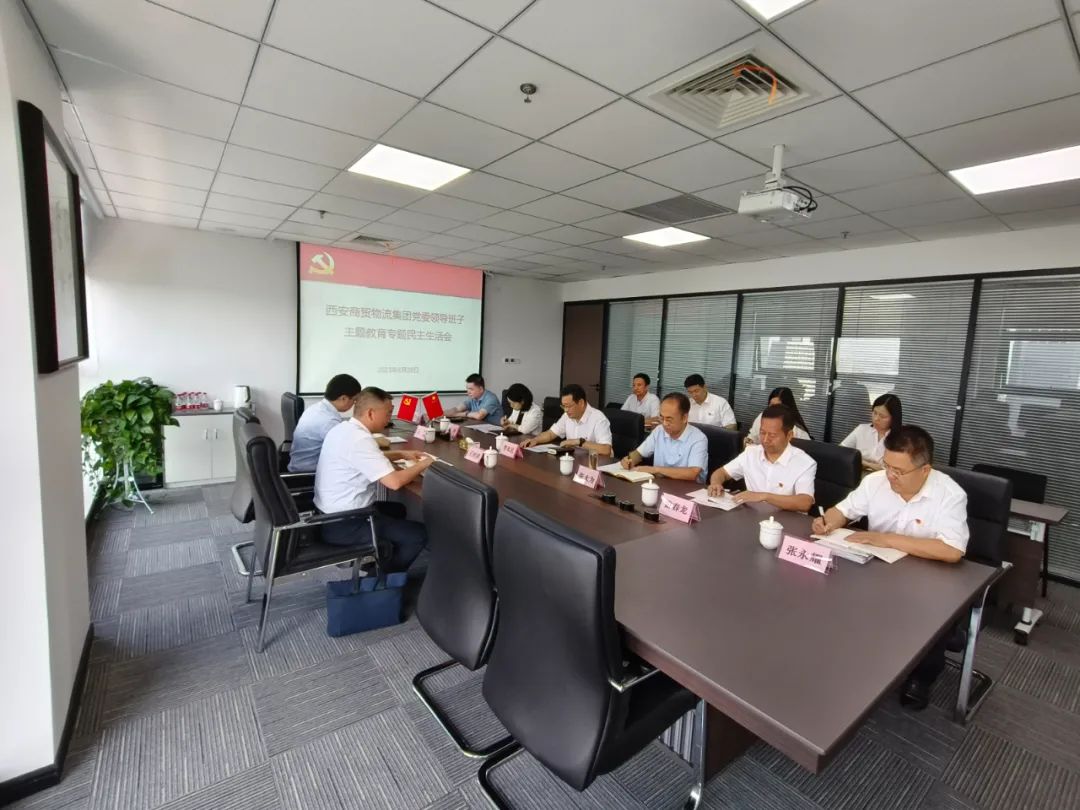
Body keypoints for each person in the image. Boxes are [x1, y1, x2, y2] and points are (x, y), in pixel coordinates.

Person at [811, 425, 968, 710]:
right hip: (877, 572)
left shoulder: (950, 494)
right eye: (887, 466)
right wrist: (828, 522)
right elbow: (842, 511)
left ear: (925, 470)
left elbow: (952, 550)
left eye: (899, 471)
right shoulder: (876, 482)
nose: (890, 476)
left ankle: (921, 678)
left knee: (929, 617)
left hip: (926, 582)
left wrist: (886, 539)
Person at [314, 387, 435, 572]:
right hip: (346, 523)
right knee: (419, 534)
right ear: (371, 413)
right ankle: (382, 579)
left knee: (398, 509)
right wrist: (426, 463)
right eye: (388, 413)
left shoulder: (344, 429)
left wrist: (401, 454)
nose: (389, 419)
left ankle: (380, 557)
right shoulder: (360, 439)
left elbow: (364, 457)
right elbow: (394, 482)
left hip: (328, 514)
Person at [709, 404, 816, 512]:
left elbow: (805, 502)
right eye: (762, 433)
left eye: (772, 435)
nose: (765, 440)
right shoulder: (751, 453)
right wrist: (715, 484)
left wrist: (764, 496)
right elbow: (721, 473)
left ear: (789, 435)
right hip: (753, 516)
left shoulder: (805, 463)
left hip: (785, 520)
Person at [620, 392, 708, 482]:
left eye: (669, 419)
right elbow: (639, 453)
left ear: (684, 418)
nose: (664, 423)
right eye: (662, 418)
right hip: (660, 484)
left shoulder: (698, 438)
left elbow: (692, 473)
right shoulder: (659, 430)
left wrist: (655, 470)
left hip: (688, 488)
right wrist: (630, 460)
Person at [288, 374, 361, 472]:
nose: (354, 404)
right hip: (308, 474)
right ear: (343, 398)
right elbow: (351, 449)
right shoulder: (329, 421)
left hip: (299, 465)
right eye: (354, 400)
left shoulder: (317, 408)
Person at [521, 383, 612, 455]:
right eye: (563, 406)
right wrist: (535, 440)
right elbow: (551, 434)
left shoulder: (598, 419)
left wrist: (578, 442)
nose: (565, 410)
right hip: (573, 459)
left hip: (592, 464)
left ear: (581, 403)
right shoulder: (567, 416)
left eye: (569, 406)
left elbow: (606, 449)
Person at [840, 393, 902, 472]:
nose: (876, 419)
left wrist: (863, 463)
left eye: (882, 416)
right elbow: (841, 451)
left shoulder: (900, 439)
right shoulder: (862, 429)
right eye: (874, 413)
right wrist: (870, 465)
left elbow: (894, 470)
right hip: (856, 473)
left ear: (894, 418)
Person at [746, 387, 811, 446]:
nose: (773, 410)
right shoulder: (762, 417)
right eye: (771, 406)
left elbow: (807, 450)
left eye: (778, 407)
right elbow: (750, 439)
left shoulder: (798, 430)